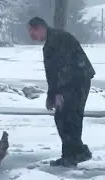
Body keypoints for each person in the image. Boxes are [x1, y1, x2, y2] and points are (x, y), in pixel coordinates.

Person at [27, 17, 96, 167]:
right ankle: (73, 153)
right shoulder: (50, 43)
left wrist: (59, 93)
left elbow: (66, 67)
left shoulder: (59, 39)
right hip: (67, 84)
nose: (31, 36)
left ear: (39, 27)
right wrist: (51, 95)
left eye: (32, 32)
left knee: (71, 117)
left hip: (78, 81)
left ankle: (74, 155)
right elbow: (52, 73)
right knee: (62, 118)